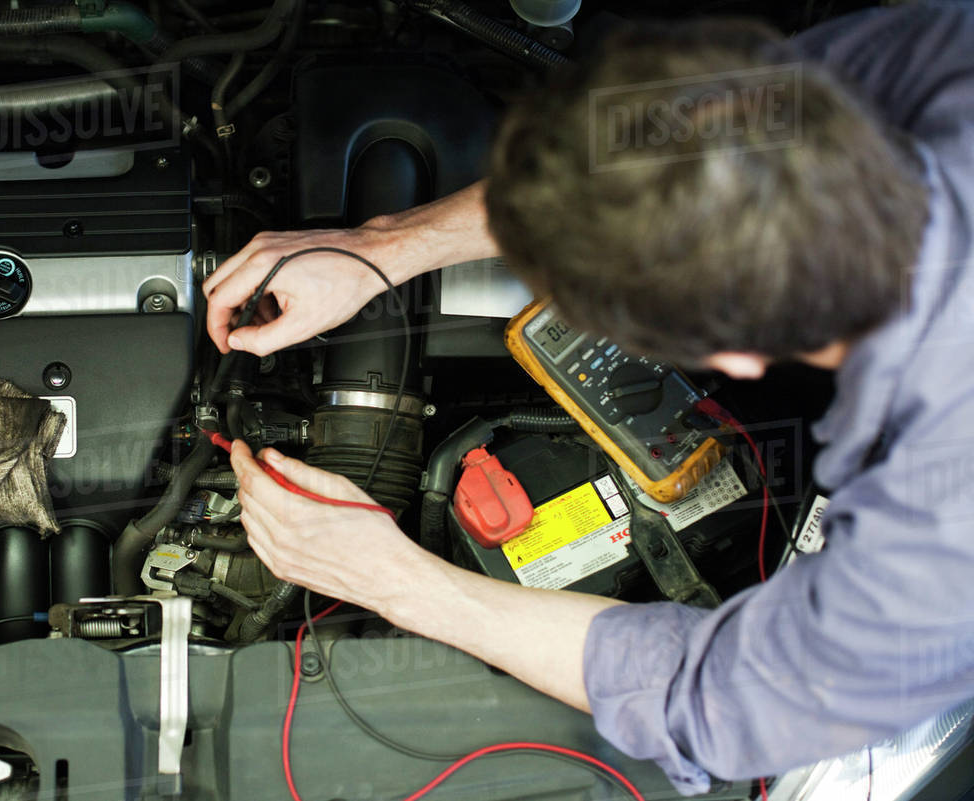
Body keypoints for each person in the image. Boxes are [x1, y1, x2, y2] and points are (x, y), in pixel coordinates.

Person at [203, 5, 974, 793]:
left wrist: (390, 579)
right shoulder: (938, 55)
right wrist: (382, 247)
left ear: (736, 360)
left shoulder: (940, 530)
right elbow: (662, 135)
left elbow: (724, 701)